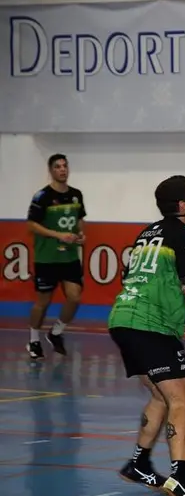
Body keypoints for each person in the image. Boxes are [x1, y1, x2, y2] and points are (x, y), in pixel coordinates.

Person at [108, 175, 185, 496]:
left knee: (160, 395)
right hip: (151, 324)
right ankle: (181, 478)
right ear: (183, 205)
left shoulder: (147, 233)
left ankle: (139, 463)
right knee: (182, 399)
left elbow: (130, 275)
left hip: (122, 318)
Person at [26, 154, 87, 361]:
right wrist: (58, 235)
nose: (62, 170)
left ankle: (56, 332)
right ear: (51, 170)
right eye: (58, 167)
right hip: (47, 258)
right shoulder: (42, 196)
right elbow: (31, 225)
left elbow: (79, 219)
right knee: (43, 302)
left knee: (75, 297)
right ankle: (33, 340)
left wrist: (81, 234)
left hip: (69, 257)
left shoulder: (76, 195)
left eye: (64, 166)